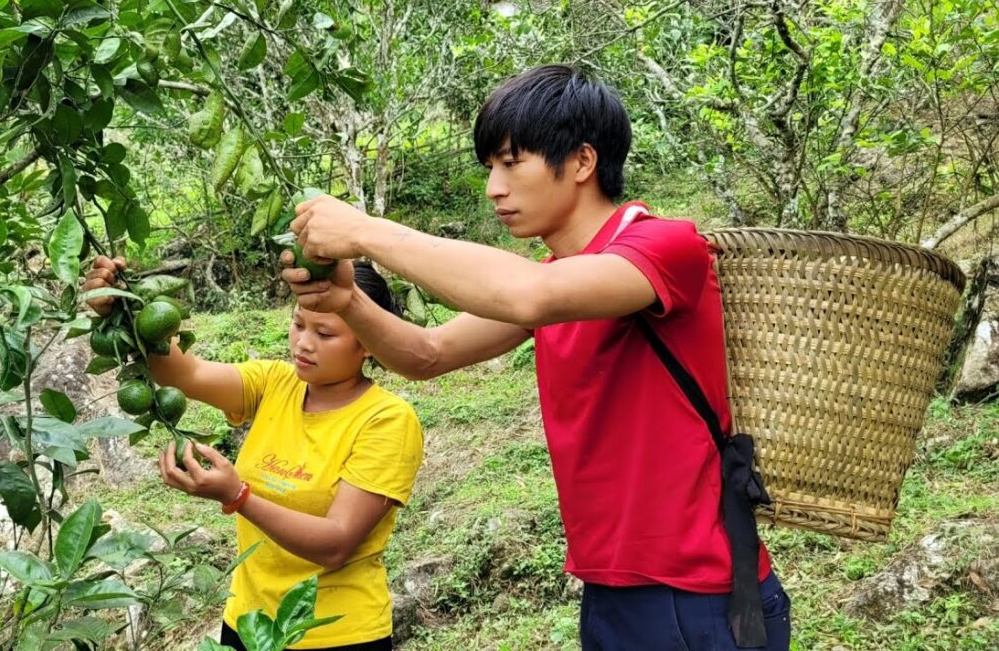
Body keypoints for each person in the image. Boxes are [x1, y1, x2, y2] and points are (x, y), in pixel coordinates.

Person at [281, 64, 791, 650]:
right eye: (490, 167)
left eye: (511, 162)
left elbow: (527, 295)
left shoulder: (665, 245)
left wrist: (367, 232)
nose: (494, 187)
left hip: (698, 593)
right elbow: (428, 353)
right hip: (609, 587)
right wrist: (346, 301)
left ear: (580, 161)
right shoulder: (555, 276)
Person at [83, 258, 423, 651]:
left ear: (368, 342)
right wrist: (123, 308)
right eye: (298, 325)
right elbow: (184, 374)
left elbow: (336, 544)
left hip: (335, 635)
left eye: (325, 334)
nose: (303, 343)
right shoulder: (275, 382)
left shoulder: (387, 420)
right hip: (247, 623)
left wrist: (238, 496)